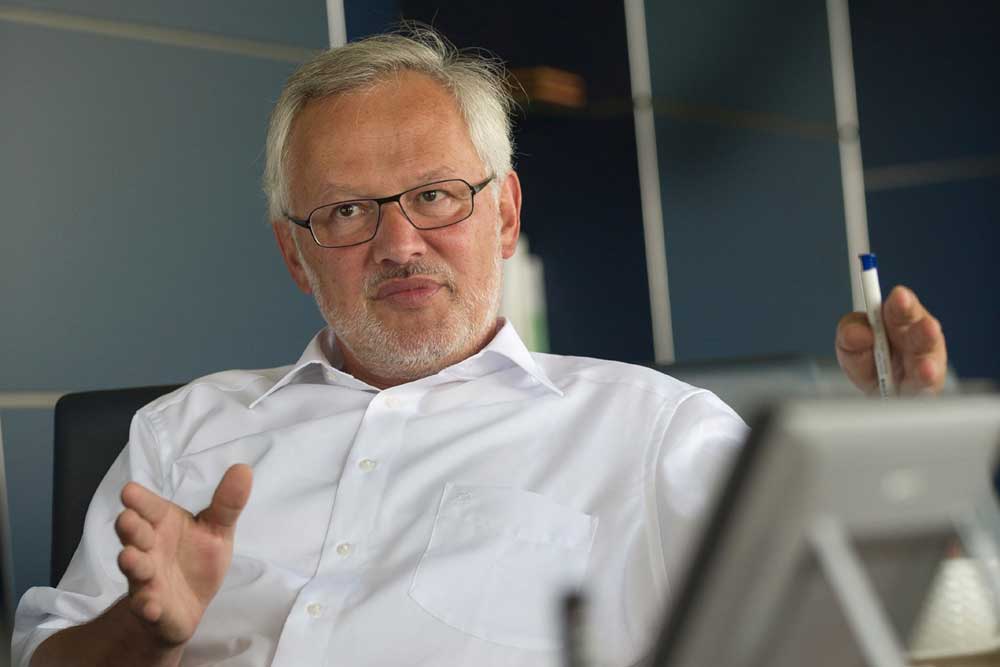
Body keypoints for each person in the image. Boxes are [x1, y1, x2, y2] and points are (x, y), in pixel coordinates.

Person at [14, 28, 947, 667]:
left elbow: (838, 629)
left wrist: (908, 453)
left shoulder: (652, 430)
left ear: (503, 212)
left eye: (435, 195)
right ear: (294, 253)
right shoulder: (182, 436)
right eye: (344, 211)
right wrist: (144, 635)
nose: (399, 242)